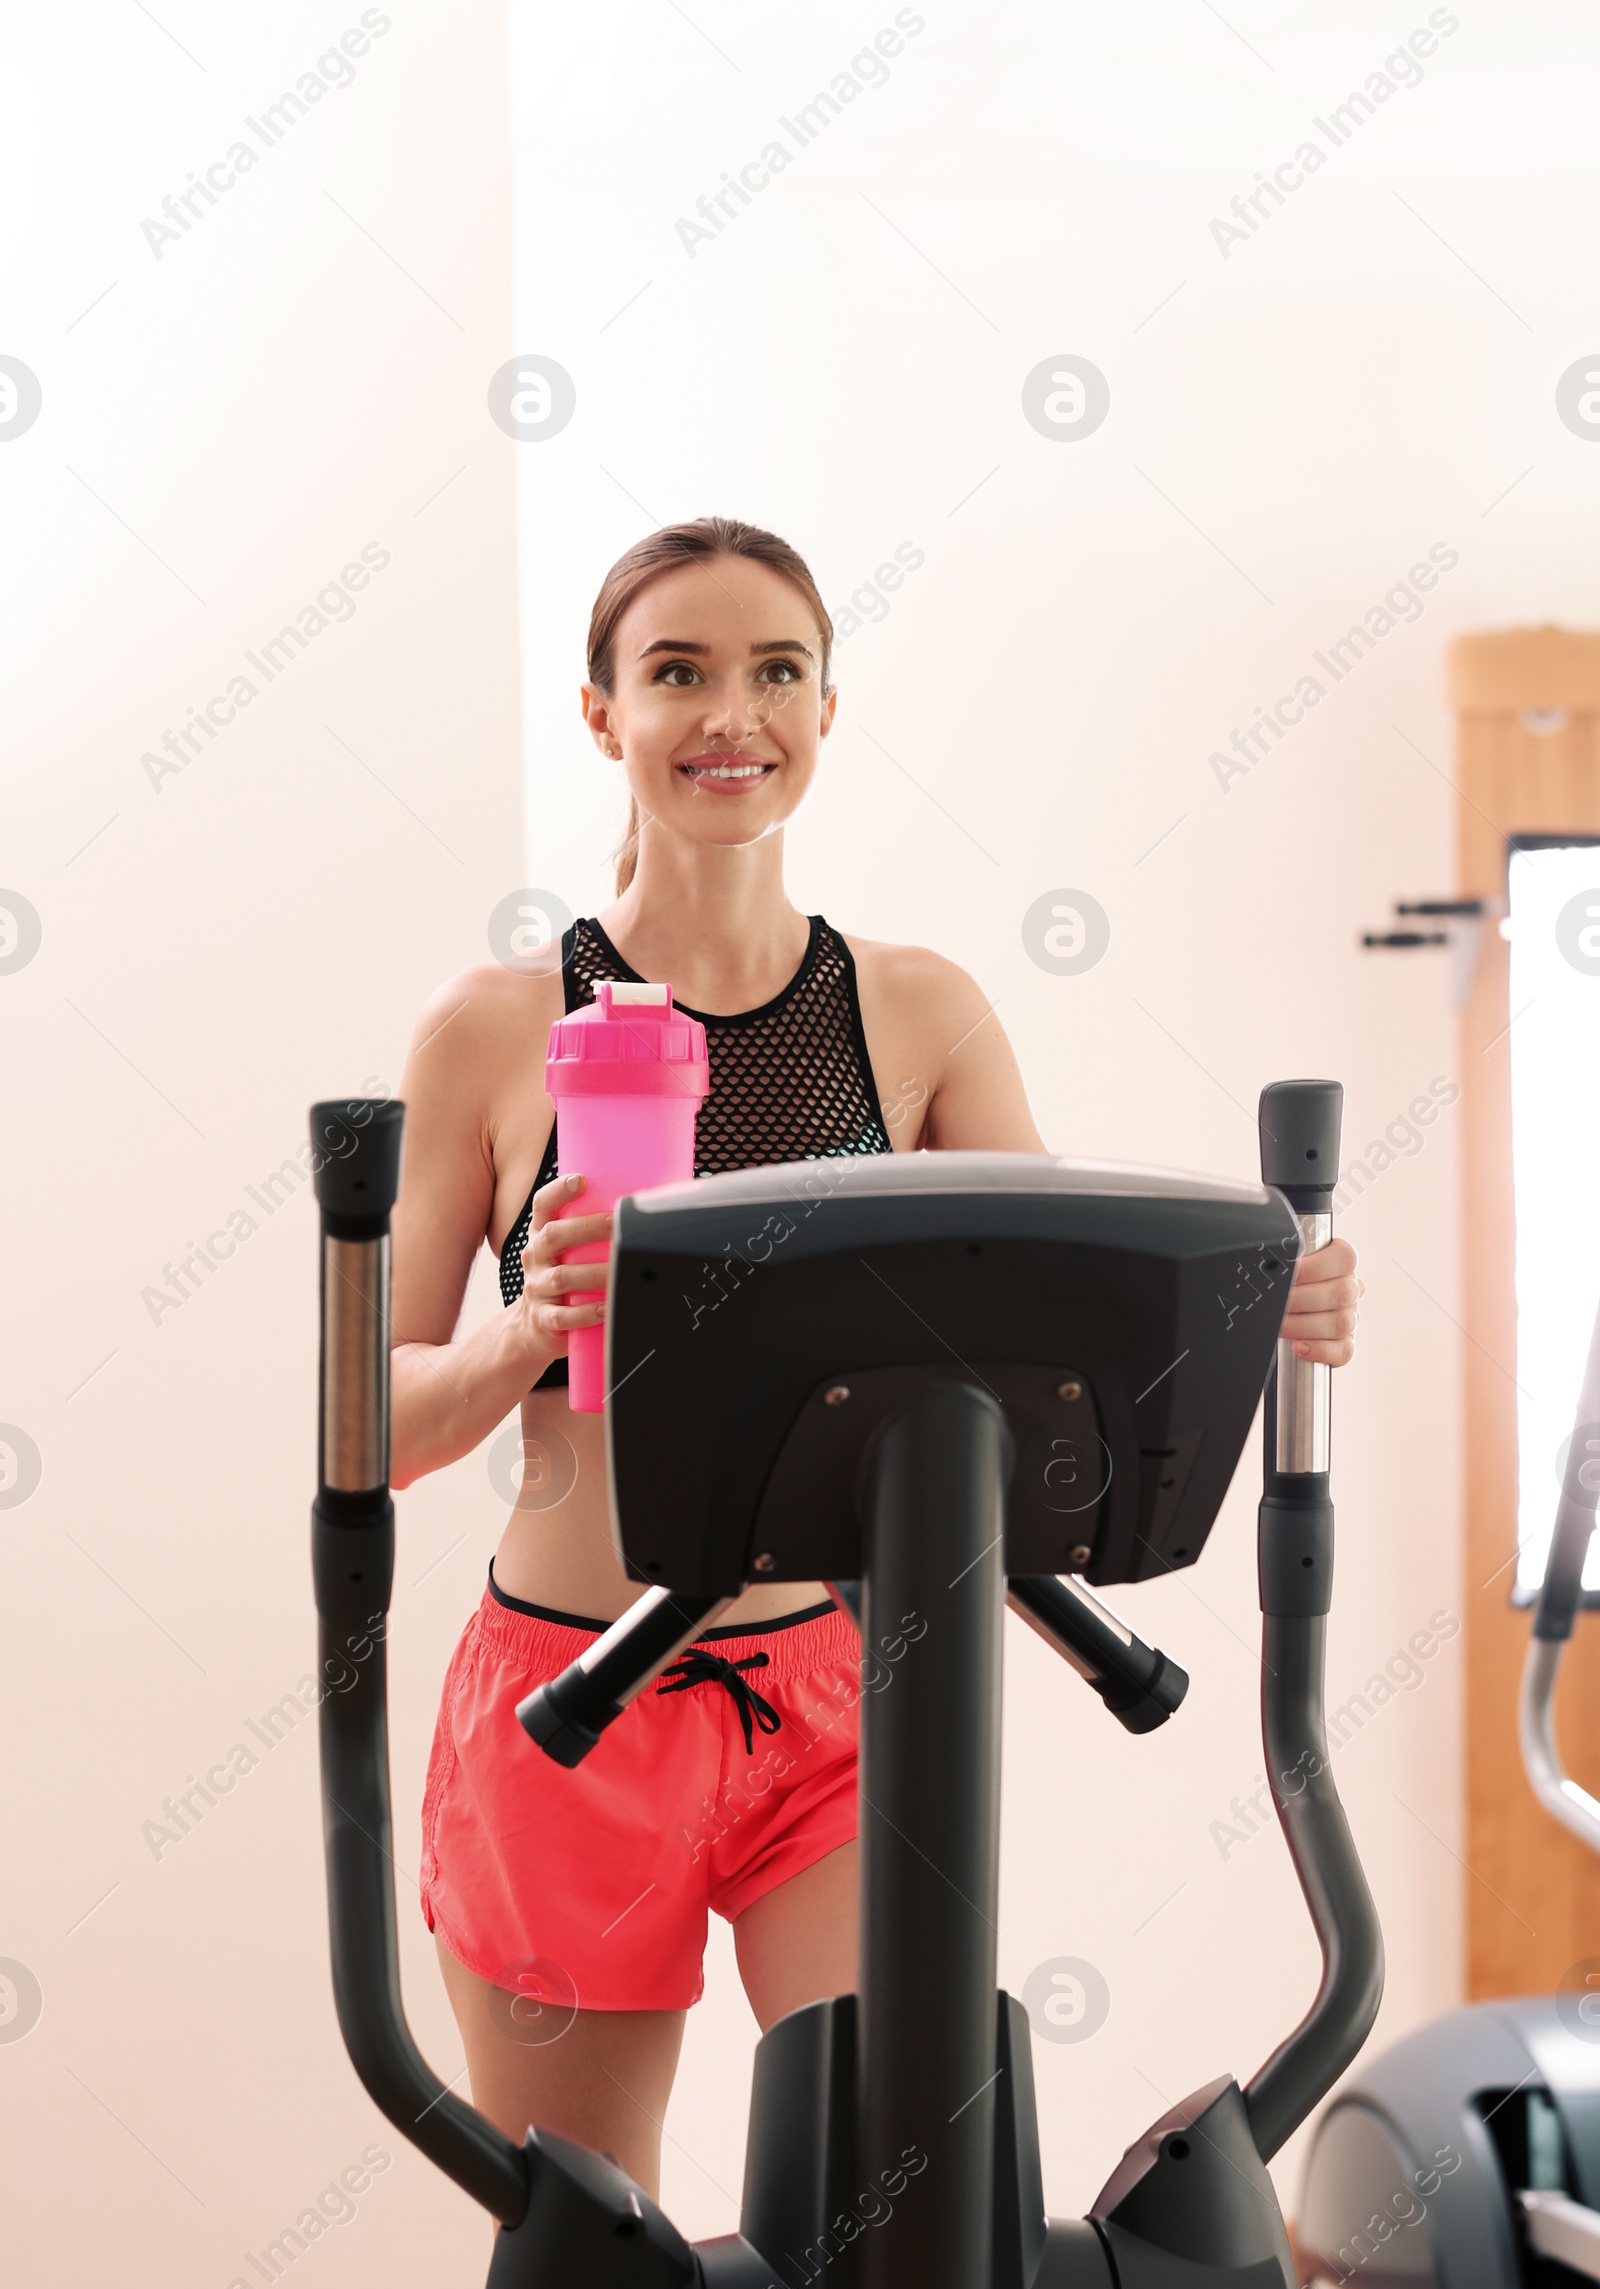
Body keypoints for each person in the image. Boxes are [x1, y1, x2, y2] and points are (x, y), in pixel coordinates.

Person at [388, 516, 1362, 2202]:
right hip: (568, 1709)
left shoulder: (919, 1012)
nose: (730, 715)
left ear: (829, 710)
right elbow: (365, 1424)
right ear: (600, 714)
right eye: (675, 672)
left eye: (776, 672)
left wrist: (1264, 1311)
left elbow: (1066, 1344)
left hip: (831, 1705)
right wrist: (526, 1327)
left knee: (892, 2217)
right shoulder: (494, 1028)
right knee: (592, 2271)